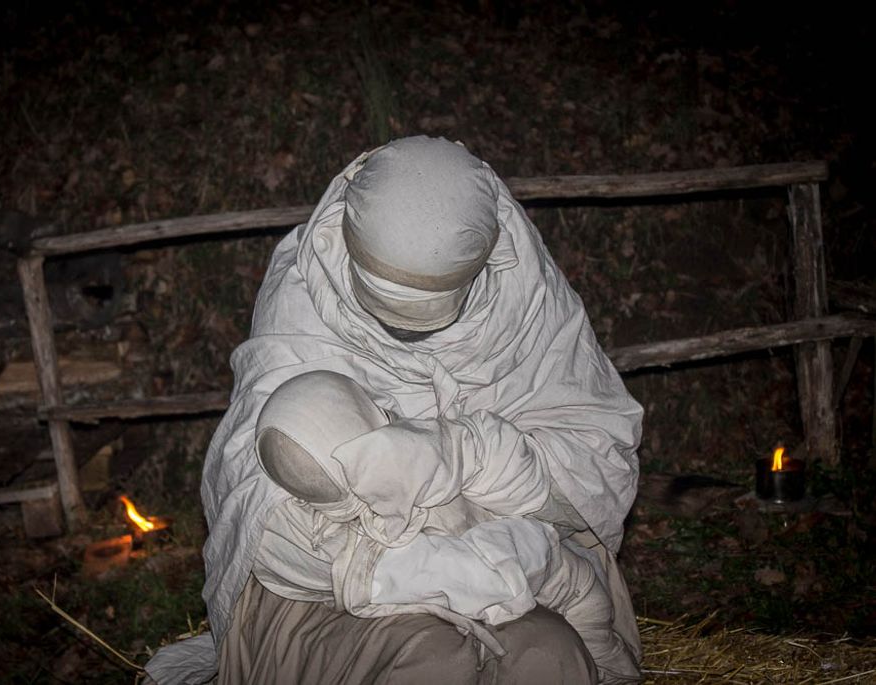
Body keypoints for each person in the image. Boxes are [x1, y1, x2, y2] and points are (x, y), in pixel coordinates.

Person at [146, 135, 643, 684]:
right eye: (386, 308)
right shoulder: (304, 297)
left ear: (487, 259)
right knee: (432, 659)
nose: (404, 333)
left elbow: (595, 468)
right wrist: (403, 567)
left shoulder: (526, 298)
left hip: (514, 556)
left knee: (549, 655)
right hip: (339, 580)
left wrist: (468, 454)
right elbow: (264, 499)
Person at [252, 369, 639, 681]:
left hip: (526, 573)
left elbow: (559, 568)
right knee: (435, 662)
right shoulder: (297, 533)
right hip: (434, 603)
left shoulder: (446, 468)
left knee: (548, 653)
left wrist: (456, 451)